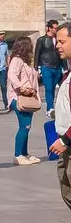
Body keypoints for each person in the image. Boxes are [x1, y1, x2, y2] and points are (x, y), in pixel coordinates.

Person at [5, 35, 41, 166]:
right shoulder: (17, 60)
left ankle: (24, 153)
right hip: (19, 97)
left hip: (28, 98)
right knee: (25, 126)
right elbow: (12, 75)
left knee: (26, 126)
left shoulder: (25, 61)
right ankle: (18, 154)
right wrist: (21, 88)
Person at [48, 22, 71, 209]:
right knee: (66, 190)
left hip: (67, 143)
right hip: (65, 146)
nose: (57, 45)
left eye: (62, 41)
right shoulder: (67, 73)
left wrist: (65, 140)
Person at [36, 20, 62, 116]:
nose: (56, 30)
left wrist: (65, 67)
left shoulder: (58, 39)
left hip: (57, 67)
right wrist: (36, 69)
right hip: (46, 66)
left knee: (54, 88)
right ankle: (50, 108)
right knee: (49, 88)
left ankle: (53, 106)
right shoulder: (42, 39)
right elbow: (37, 54)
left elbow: (61, 54)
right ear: (49, 28)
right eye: (55, 28)